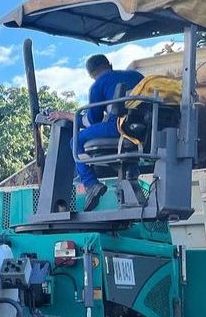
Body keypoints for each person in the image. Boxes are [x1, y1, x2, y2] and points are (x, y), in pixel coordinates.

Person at [50, 55, 144, 212]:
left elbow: (91, 121)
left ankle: (91, 184)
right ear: (110, 64)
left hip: (118, 127)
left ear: (91, 74)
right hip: (142, 130)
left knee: (75, 142)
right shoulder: (136, 76)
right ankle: (131, 175)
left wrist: (64, 115)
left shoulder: (98, 85)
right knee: (127, 148)